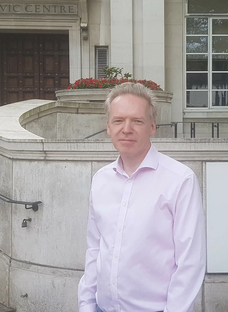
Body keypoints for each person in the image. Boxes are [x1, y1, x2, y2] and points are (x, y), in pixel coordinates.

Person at [78, 82, 206, 312]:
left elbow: (190, 262)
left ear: (153, 126)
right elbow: (95, 249)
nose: (126, 129)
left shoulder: (180, 181)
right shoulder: (101, 180)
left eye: (137, 121)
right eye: (118, 120)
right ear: (108, 127)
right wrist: (86, 304)